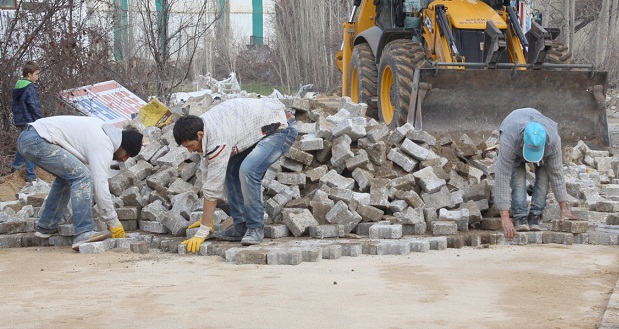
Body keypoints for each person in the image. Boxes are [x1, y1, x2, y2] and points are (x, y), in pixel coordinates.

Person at [173, 98, 298, 253]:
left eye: (191, 146)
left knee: (248, 170)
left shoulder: (217, 138)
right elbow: (208, 172)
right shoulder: (204, 129)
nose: (190, 151)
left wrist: (204, 230)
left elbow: (213, 186)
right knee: (229, 171)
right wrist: (207, 219)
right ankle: (241, 226)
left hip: (280, 127)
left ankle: (255, 228)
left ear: (199, 135)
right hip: (257, 128)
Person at [17, 116, 143, 251]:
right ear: (123, 145)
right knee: (83, 176)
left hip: (30, 137)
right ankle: (84, 232)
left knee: (67, 176)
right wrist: (113, 222)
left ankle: (46, 226)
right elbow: (100, 186)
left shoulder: (101, 130)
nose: (124, 159)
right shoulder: (103, 143)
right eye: (127, 154)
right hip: (37, 140)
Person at [494, 108, 578, 239]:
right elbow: (502, 177)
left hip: (544, 146)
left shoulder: (553, 141)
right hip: (514, 135)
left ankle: (535, 216)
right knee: (518, 179)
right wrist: (504, 218)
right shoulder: (509, 140)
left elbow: (557, 174)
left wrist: (564, 208)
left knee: (544, 178)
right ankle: (520, 217)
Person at [11, 61, 42, 182]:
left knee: (24, 142)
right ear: (29, 74)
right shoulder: (29, 88)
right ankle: (31, 175)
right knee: (31, 146)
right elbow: (33, 105)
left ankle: (16, 166)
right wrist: (39, 120)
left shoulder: (18, 87)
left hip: (21, 120)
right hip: (31, 120)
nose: (37, 77)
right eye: (36, 74)